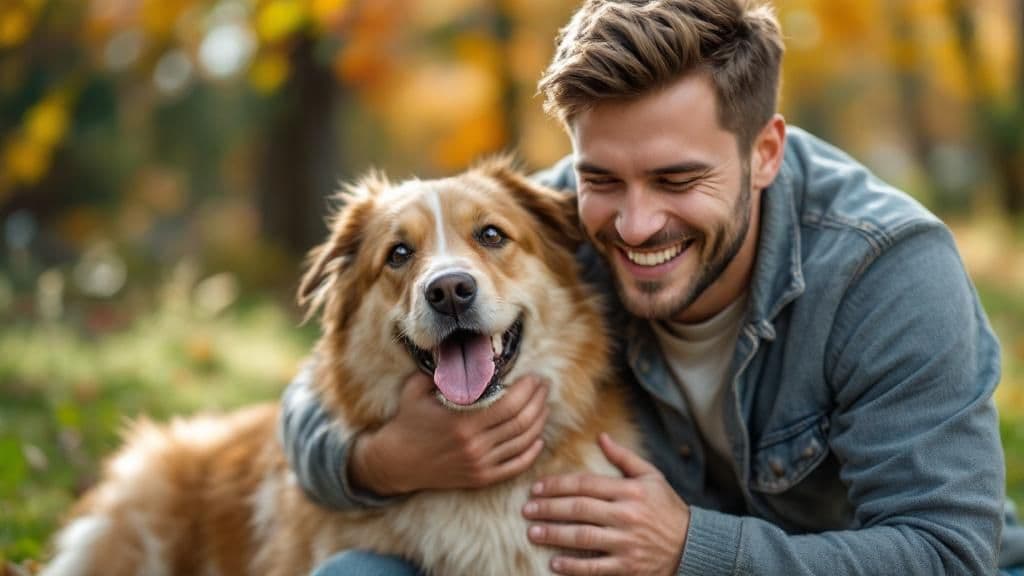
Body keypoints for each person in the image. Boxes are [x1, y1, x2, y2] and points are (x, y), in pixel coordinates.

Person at [280, 0, 1024, 574]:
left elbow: (946, 552)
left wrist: (695, 549)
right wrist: (385, 461)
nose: (633, 227)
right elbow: (306, 401)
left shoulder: (887, 272)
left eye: (677, 179)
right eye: (599, 178)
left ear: (765, 152)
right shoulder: (548, 230)